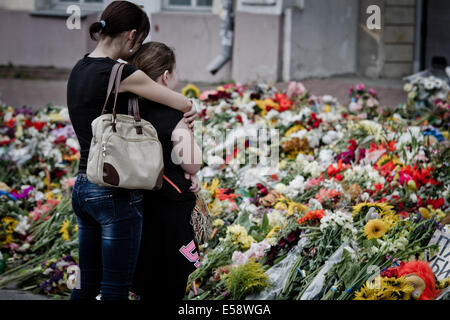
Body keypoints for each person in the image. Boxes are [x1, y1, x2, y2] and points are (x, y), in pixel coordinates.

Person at [67, 1, 196, 300]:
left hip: (83, 187)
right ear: (133, 35)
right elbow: (179, 101)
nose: (137, 52)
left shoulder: (80, 67)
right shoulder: (121, 73)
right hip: (113, 193)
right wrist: (193, 108)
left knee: (86, 283)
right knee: (115, 287)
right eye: (139, 42)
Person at [128, 42, 203, 300]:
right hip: (169, 204)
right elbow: (191, 162)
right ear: (166, 76)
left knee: (144, 274)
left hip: (135, 201)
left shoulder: (128, 108)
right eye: (175, 72)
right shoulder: (175, 114)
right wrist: (194, 171)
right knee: (171, 277)